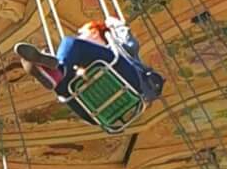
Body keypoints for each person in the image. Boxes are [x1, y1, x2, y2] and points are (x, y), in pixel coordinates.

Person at [14, 12, 160, 106]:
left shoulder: (115, 45)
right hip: (110, 95)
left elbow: (130, 43)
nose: (80, 35)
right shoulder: (86, 63)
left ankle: (53, 68)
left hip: (129, 78)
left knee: (70, 44)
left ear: (95, 33)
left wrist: (114, 24)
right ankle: (50, 70)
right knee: (62, 81)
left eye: (83, 32)